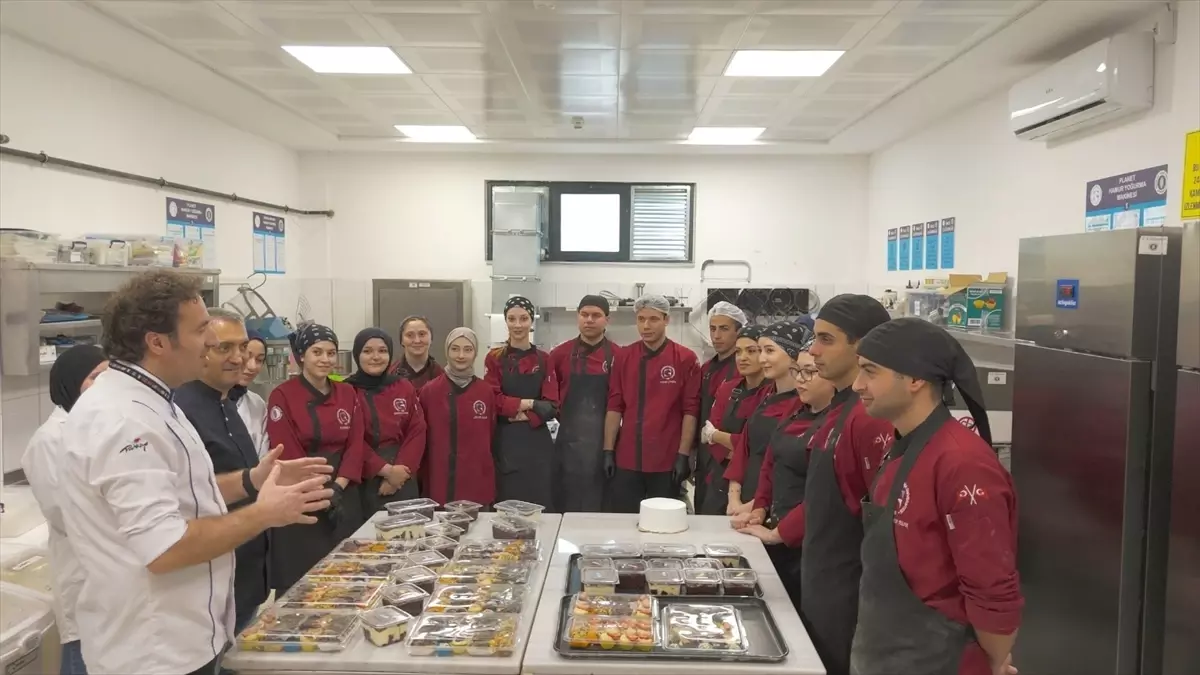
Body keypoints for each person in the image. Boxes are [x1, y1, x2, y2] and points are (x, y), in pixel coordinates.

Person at [58, 270, 332, 675]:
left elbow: (185, 494)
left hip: (188, 636)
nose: (210, 340)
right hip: (154, 651)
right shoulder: (123, 420)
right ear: (157, 342)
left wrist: (251, 481)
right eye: (201, 329)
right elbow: (164, 548)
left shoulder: (155, 401)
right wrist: (264, 513)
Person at [850, 318, 1021, 675]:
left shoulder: (962, 462)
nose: (857, 384)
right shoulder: (900, 445)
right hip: (884, 653)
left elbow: (993, 590)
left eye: (870, 371)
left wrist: (989, 663)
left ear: (915, 380)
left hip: (937, 661)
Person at [800, 293, 896, 675]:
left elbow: (881, 522)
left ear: (863, 345)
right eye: (815, 338)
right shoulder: (841, 408)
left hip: (848, 592)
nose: (813, 350)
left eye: (826, 339)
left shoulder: (870, 417)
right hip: (822, 580)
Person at [174, 309, 272, 634]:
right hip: (207, 583)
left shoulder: (225, 403)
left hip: (244, 577)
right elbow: (187, 496)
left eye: (242, 347)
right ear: (200, 349)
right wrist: (253, 485)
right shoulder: (181, 411)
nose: (239, 358)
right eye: (224, 348)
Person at [21, 345, 108, 675]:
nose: (103, 386)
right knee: (82, 660)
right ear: (70, 383)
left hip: (113, 583)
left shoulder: (100, 428)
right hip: (83, 577)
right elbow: (66, 515)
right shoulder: (50, 440)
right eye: (95, 377)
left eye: (109, 377)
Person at [735, 343, 837, 606]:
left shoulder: (836, 423)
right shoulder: (796, 409)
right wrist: (760, 507)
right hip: (776, 529)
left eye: (809, 372)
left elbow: (823, 493)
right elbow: (771, 462)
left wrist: (779, 533)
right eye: (797, 371)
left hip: (807, 540)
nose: (800, 379)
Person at [267, 323, 367, 592]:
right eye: (317, 352)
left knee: (346, 580)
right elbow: (286, 450)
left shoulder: (347, 393)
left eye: (331, 353)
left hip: (343, 494)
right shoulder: (283, 396)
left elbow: (356, 445)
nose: (325, 359)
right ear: (302, 355)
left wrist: (338, 488)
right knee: (302, 586)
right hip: (301, 497)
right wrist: (320, 492)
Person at [603, 294, 701, 513]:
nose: (646, 326)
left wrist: (683, 455)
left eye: (653, 319)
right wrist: (608, 450)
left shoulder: (685, 358)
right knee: (625, 522)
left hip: (666, 460)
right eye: (641, 319)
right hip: (628, 458)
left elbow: (690, 410)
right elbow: (615, 406)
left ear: (667, 320)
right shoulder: (624, 356)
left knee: (664, 522)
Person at [718, 322, 808, 518]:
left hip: (775, 506)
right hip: (745, 500)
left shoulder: (804, 404)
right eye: (760, 351)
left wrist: (755, 505)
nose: (762, 358)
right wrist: (734, 498)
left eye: (769, 351)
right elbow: (744, 448)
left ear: (793, 356)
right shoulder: (765, 394)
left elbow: (787, 466)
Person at [485, 296, 560, 508]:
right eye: (512, 319)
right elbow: (493, 400)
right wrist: (532, 404)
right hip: (506, 443)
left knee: (540, 502)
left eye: (523, 318)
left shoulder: (545, 359)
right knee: (508, 504)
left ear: (531, 320)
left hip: (538, 443)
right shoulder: (494, 358)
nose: (518, 325)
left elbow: (551, 406)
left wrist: (514, 413)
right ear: (506, 321)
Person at [344, 328, 427, 517]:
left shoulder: (403, 387)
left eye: (382, 351)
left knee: (407, 530)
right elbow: (351, 439)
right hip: (363, 475)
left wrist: (398, 475)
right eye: (367, 351)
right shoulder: (346, 391)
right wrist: (385, 471)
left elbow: (417, 430)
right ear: (357, 355)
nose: (376, 357)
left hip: (403, 475)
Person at [548, 295, 619, 512]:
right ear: (577, 317)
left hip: (605, 445)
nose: (589, 320)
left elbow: (620, 404)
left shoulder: (619, 356)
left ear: (607, 320)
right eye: (584, 314)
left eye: (596, 315)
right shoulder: (558, 355)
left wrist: (609, 451)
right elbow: (550, 400)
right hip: (567, 446)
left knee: (601, 508)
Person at [419, 328, 499, 507]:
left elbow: (491, 435)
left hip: (477, 484)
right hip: (439, 485)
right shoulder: (429, 391)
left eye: (467, 349)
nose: (461, 355)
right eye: (455, 349)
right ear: (446, 351)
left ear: (475, 353)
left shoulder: (485, 392)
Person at [697, 325, 768, 515]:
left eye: (751, 351)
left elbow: (759, 446)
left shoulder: (772, 394)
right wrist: (737, 446)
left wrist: (718, 436)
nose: (742, 357)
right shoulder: (727, 389)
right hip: (719, 478)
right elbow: (709, 434)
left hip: (754, 483)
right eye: (738, 351)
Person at [694, 301, 747, 513]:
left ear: (738, 331)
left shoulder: (745, 370)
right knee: (702, 511)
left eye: (724, 329)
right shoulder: (707, 368)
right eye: (713, 328)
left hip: (730, 459)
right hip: (705, 456)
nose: (716, 336)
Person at [233, 330, 269, 458]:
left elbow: (263, 454)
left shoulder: (258, 404)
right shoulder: (203, 402)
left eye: (259, 360)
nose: (252, 366)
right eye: (247, 357)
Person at [390, 315, 445, 389]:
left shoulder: (441, 376)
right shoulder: (390, 375)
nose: (417, 341)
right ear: (402, 340)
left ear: (431, 338)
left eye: (422, 334)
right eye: (410, 335)